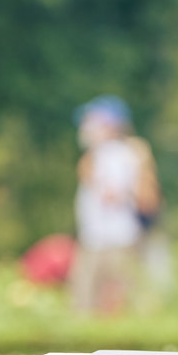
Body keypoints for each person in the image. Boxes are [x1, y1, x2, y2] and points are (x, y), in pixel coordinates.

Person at [68, 95, 161, 314]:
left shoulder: (121, 154)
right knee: (86, 297)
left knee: (119, 297)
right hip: (95, 237)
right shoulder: (98, 155)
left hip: (117, 237)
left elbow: (124, 195)